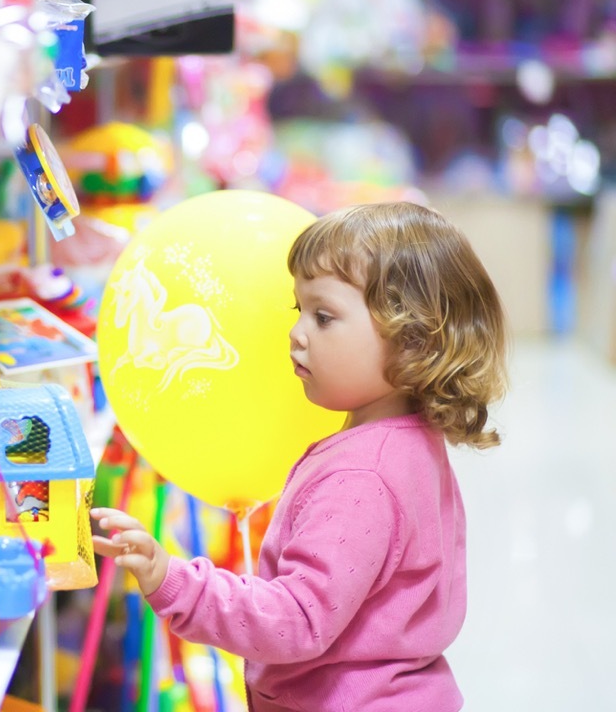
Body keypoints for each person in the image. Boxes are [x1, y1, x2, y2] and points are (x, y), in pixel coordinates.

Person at [92, 201, 508, 712]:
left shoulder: (362, 476)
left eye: (323, 316)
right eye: (299, 310)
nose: (296, 332)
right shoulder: (411, 441)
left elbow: (297, 620)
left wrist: (173, 580)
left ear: (412, 339)